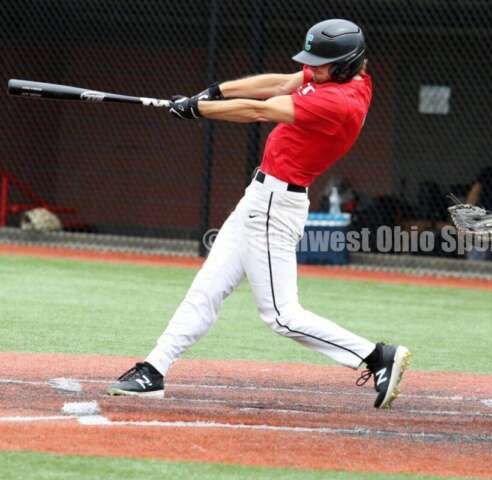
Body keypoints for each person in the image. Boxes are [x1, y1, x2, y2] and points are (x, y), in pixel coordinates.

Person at [106, 19, 411, 409]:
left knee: (282, 316)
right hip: (259, 198)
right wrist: (213, 93)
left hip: (274, 208)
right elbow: (278, 83)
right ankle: (153, 369)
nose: (311, 68)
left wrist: (198, 110)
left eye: (320, 63)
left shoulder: (338, 102)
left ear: (346, 63)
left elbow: (256, 110)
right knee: (207, 289)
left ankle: (375, 356)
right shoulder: (341, 78)